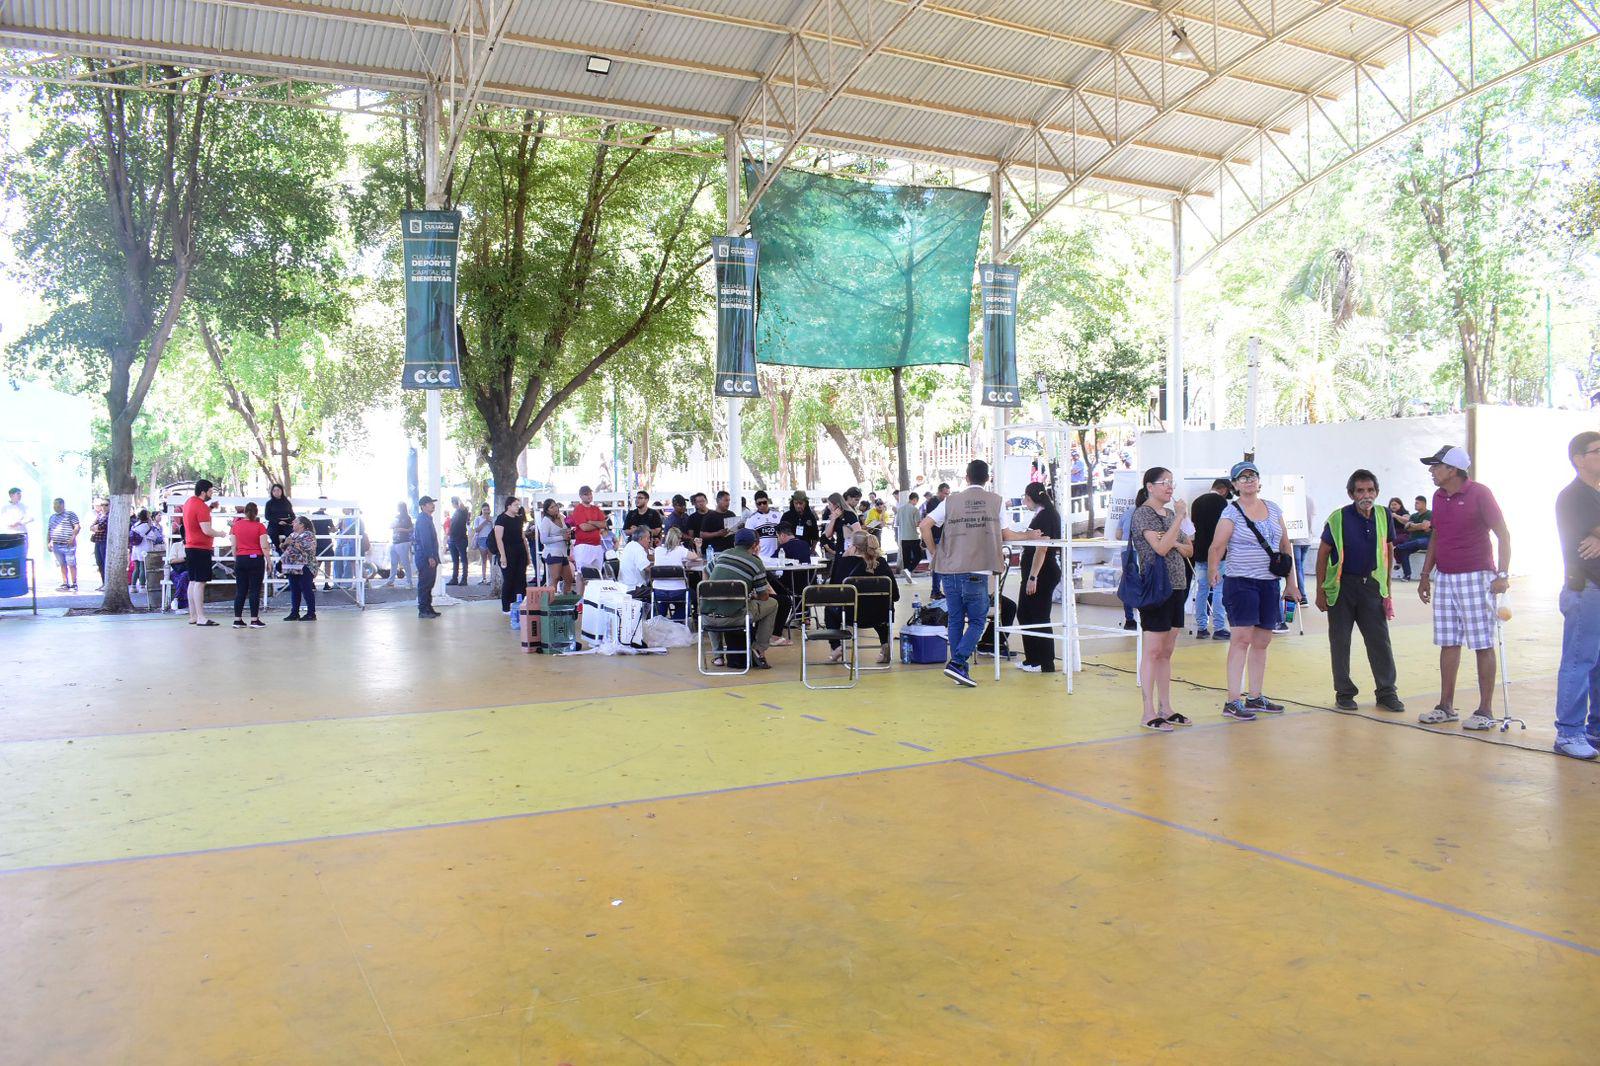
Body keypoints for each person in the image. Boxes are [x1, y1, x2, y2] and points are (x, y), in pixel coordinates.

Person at [1416, 445, 1510, 730]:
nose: (1432, 471)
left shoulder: (1480, 493)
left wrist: (1502, 574)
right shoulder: (1438, 496)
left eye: (1436, 466)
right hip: (1445, 576)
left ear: (1452, 470)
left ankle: (1485, 710)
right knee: (1448, 641)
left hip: (1477, 576)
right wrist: (1425, 574)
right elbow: (1437, 536)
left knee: (1482, 643)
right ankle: (1446, 706)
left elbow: (1503, 534)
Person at [1209, 459, 1297, 720]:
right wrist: (1214, 568)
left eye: (1252, 476)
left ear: (1259, 480)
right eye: (1242, 478)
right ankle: (1233, 700)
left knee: (1262, 640)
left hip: (1269, 582)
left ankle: (1256, 696)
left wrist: (1291, 583)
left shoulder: (1272, 508)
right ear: (1235, 485)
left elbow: (1285, 546)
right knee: (1241, 639)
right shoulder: (1231, 513)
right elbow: (1217, 545)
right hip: (1241, 581)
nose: (1248, 481)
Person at [1315, 469, 1404, 713]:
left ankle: (1387, 692)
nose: (1366, 495)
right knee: (1340, 641)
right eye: (1360, 491)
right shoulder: (1338, 518)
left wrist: (1387, 589)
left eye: (1370, 490)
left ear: (1377, 492)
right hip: (1343, 587)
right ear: (1351, 494)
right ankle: (1344, 693)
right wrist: (1320, 590)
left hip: (1372, 587)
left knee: (1380, 641)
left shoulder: (1384, 514)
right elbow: (1323, 554)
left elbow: (1388, 550)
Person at [920, 459, 1003, 688]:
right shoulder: (996, 501)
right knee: (977, 621)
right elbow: (1005, 533)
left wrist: (935, 552)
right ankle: (957, 662)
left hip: (951, 570)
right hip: (978, 570)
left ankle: (961, 670)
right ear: (988, 479)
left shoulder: (950, 501)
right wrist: (1028, 536)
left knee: (955, 620)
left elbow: (924, 525)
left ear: (966, 478)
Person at [1128, 469, 1193, 729]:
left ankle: (1166, 707)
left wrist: (1174, 533)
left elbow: (1189, 548)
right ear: (1149, 487)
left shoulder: (1169, 515)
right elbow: (1161, 547)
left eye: (1171, 482)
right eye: (1163, 483)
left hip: (1178, 586)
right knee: (1153, 649)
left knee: (1167, 650)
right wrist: (1178, 520)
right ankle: (1148, 711)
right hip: (1156, 588)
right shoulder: (1144, 514)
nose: (1169, 487)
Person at [1552, 431, 1600, 759]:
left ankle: (1595, 729)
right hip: (1586, 589)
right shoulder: (1574, 496)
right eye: (1597, 451)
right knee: (1579, 661)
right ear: (1578, 459)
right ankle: (1569, 732)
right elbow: (1589, 535)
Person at [1002, 482, 1064, 674]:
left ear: (1030, 498)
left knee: (1038, 615)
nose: (1024, 502)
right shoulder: (1043, 514)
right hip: (1033, 572)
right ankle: (1033, 658)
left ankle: (1045, 662)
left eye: (1025, 498)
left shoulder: (1046, 516)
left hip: (1041, 573)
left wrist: (1033, 576)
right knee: (1025, 614)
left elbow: (1042, 547)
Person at [704, 528, 778, 669]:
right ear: (754, 545)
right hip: (735, 617)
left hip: (708, 617)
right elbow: (764, 596)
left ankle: (718, 656)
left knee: (713, 606)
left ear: (734, 542)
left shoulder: (723, 555)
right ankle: (759, 648)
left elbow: (705, 571)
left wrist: (709, 591)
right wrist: (752, 595)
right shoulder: (755, 563)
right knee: (773, 604)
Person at [827, 530, 900, 664]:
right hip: (880, 615)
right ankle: (885, 645)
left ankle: (836, 646)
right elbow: (895, 595)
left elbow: (834, 593)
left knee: (829, 608)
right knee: (880, 606)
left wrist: (844, 557)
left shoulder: (844, 563)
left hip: (852, 615)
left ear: (853, 546)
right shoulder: (881, 563)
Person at [1189, 478, 1233, 640]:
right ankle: (1219, 627)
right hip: (1219, 552)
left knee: (1202, 589)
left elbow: (1193, 527)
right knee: (1219, 588)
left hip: (1199, 551)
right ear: (1223, 490)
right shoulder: (1223, 504)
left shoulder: (1196, 502)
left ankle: (1202, 627)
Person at [182, 481, 223, 626]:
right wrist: (220, 533)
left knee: (193, 581)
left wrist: (210, 508)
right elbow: (206, 530)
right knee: (200, 582)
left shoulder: (189, 503)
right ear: (204, 492)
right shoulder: (200, 506)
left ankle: (193, 615)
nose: (211, 495)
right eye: (211, 492)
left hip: (190, 547)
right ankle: (201, 617)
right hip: (200, 548)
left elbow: (196, 517)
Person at [230, 501, 271, 629]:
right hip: (256, 559)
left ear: (244, 512)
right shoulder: (260, 526)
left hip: (241, 559)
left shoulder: (236, 526)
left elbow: (233, 545)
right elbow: (264, 546)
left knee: (240, 590)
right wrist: (269, 561)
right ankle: (254, 620)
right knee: (254, 590)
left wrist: (236, 558)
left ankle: (237, 619)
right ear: (256, 512)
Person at [650, 526, 698, 621]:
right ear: (678, 539)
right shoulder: (681, 550)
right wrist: (698, 547)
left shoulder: (658, 550)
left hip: (658, 591)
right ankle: (676, 622)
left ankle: (659, 621)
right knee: (691, 595)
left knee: (663, 601)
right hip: (678, 592)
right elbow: (695, 557)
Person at [567, 485, 608, 591]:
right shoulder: (578, 509)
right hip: (583, 546)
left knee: (597, 574)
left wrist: (591, 522)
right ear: (581, 496)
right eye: (586, 494)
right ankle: (581, 600)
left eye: (590, 493)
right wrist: (597, 524)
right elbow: (584, 527)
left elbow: (604, 524)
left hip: (597, 545)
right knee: (581, 574)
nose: (589, 496)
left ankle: (593, 598)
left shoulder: (596, 508)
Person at [280, 515, 319, 621]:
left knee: (306, 589)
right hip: (292, 566)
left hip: (305, 566)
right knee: (295, 590)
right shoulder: (293, 534)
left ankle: (311, 613)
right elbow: (285, 548)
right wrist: (284, 544)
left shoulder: (308, 535)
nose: (293, 523)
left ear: (302, 525)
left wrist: (291, 542)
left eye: (295, 522)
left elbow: (308, 549)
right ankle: (294, 612)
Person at [494, 496, 529, 612]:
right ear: (508, 506)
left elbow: (523, 537)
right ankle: (506, 607)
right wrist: (503, 556)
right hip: (508, 552)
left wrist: (527, 555)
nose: (518, 507)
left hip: (520, 551)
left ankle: (520, 604)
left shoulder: (519, 519)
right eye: (515, 505)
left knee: (521, 579)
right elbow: (499, 539)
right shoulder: (501, 519)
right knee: (509, 579)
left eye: (518, 505)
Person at [414, 496, 442, 618]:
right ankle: (423, 609)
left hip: (428, 556)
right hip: (425, 557)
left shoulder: (427, 518)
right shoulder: (423, 520)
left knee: (429, 583)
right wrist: (430, 556)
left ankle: (428, 607)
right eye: (430, 503)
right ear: (423, 506)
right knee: (425, 584)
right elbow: (425, 540)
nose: (432, 505)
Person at [1394, 495, 1433, 581]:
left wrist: (1412, 525)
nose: (1415, 505)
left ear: (1423, 504)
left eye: (1417, 503)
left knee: (1417, 542)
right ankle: (1407, 575)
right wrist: (1417, 526)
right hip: (1413, 540)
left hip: (1426, 540)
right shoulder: (1413, 516)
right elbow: (1407, 528)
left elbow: (1424, 526)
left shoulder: (1430, 514)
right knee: (1404, 551)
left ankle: (1398, 548)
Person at [922, 483, 950, 598]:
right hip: (936, 537)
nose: (947, 496)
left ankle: (937, 590)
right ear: (939, 492)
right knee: (938, 566)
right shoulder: (933, 503)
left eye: (948, 493)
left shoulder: (943, 503)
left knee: (939, 566)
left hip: (941, 536)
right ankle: (936, 591)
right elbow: (927, 524)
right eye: (945, 493)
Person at [47, 498, 81, 592]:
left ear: (62, 505)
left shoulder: (70, 514)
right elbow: (50, 530)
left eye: (57, 505)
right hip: (57, 544)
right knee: (62, 564)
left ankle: (74, 583)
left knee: (71, 564)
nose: (55, 507)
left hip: (68, 544)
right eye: (54, 505)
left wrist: (72, 537)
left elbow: (77, 527)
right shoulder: (52, 517)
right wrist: (49, 542)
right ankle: (65, 583)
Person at [743, 491, 781, 558]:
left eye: (764, 502)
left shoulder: (778, 515)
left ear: (768, 501)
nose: (762, 505)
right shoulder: (751, 519)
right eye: (759, 503)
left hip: (777, 556)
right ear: (756, 504)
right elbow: (749, 540)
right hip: (761, 557)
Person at [699, 490, 735, 561]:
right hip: (717, 551)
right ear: (718, 501)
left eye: (729, 500)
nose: (728, 503)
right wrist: (717, 533)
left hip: (731, 551)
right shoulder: (710, 516)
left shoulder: (731, 514)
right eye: (726, 500)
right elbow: (702, 534)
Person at [895, 491, 922, 580]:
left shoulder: (900, 509)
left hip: (903, 537)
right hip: (913, 536)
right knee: (918, 555)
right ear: (914, 500)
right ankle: (909, 570)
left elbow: (897, 523)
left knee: (906, 558)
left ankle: (908, 576)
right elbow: (917, 524)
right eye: (916, 501)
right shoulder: (915, 509)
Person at [129, 509, 157, 592]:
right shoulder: (146, 526)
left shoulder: (135, 525)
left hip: (135, 548)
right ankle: (142, 586)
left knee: (136, 568)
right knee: (142, 568)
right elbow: (153, 537)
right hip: (144, 549)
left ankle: (133, 586)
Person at [387, 502, 413, 588]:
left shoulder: (405, 518)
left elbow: (411, 529)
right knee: (394, 562)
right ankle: (391, 581)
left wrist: (401, 529)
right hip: (396, 541)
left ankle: (409, 582)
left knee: (405, 562)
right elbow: (390, 526)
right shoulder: (400, 517)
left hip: (403, 541)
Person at [447, 497, 471, 585]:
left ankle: (464, 579)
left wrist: (458, 499)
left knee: (463, 559)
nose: (452, 504)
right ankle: (454, 578)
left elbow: (462, 506)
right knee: (455, 560)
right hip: (453, 539)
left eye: (453, 502)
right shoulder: (455, 513)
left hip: (461, 539)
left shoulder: (463, 511)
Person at [89, 500, 108, 589]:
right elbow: (92, 527)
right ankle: (104, 583)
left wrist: (96, 527)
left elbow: (102, 526)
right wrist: (96, 528)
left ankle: (107, 583)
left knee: (105, 562)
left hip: (105, 541)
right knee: (99, 562)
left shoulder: (110, 516)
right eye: (102, 505)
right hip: (98, 541)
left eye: (106, 505)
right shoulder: (99, 515)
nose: (104, 507)